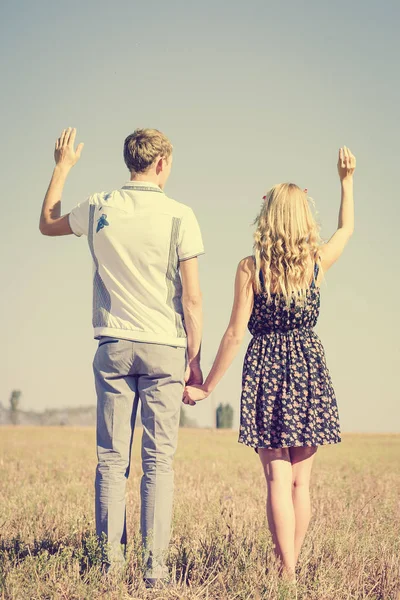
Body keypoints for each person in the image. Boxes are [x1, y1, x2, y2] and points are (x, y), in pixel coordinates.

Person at [39, 127, 204, 586]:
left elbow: (47, 222)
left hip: (113, 345)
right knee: (159, 463)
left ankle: (107, 570)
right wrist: (195, 358)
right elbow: (192, 299)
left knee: (111, 460)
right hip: (166, 348)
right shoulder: (180, 215)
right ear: (162, 163)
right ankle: (155, 574)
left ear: (130, 161)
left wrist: (62, 167)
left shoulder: (98, 205)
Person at [184, 147, 356, 581]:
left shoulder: (251, 267)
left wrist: (206, 386)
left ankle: (288, 574)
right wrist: (346, 181)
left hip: (265, 370)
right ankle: (289, 574)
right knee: (302, 483)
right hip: (308, 368)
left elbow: (234, 334)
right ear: (303, 219)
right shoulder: (316, 264)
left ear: (267, 218)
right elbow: (346, 229)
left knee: (277, 481)